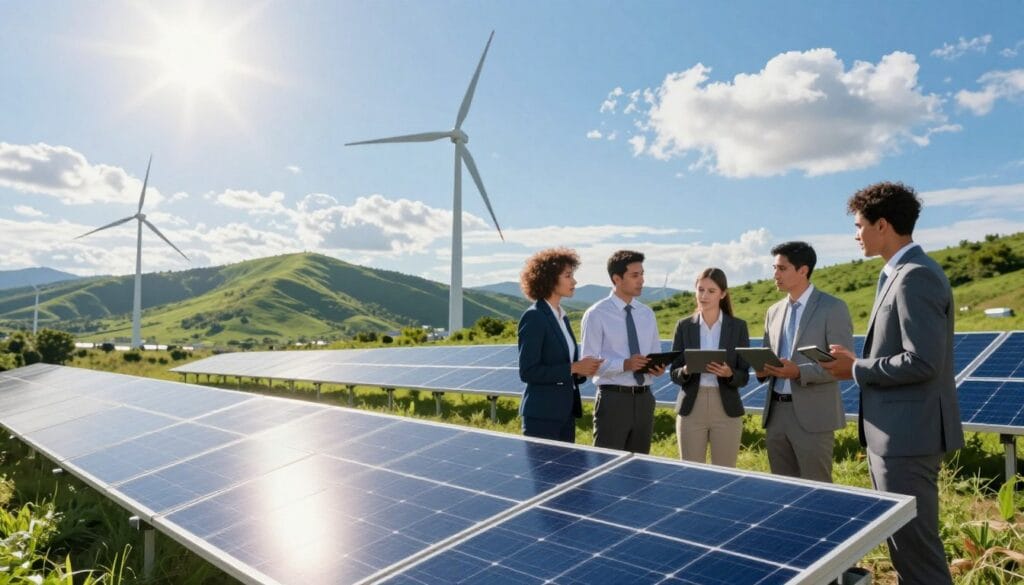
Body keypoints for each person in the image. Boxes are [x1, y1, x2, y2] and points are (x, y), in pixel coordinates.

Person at [821, 182, 962, 585]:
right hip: (895, 437)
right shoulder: (899, 273)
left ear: (882, 225)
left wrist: (855, 368)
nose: (855, 234)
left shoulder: (915, 276)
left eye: (859, 224)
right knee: (904, 549)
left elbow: (923, 361)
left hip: (908, 439)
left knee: (917, 553)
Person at [758, 241, 853, 483]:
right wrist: (761, 368)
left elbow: (841, 367)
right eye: (774, 268)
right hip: (776, 414)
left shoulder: (833, 308)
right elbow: (767, 355)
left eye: (782, 268)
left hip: (813, 416)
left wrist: (797, 372)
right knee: (783, 491)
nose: (775, 275)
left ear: (803, 270)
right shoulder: (773, 311)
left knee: (817, 491)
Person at [581, 250, 666, 454]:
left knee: (639, 469)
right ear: (616, 279)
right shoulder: (596, 314)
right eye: (635, 275)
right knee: (607, 468)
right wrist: (625, 365)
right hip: (613, 400)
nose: (642, 280)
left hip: (645, 399)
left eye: (642, 274)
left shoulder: (647, 314)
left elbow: (655, 353)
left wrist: (657, 367)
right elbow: (588, 365)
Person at [517, 248, 602, 443]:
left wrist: (581, 371)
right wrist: (573, 367)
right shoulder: (535, 317)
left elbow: (564, 367)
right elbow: (528, 371)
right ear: (549, 279)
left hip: (565, 413)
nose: (574, 281)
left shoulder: (562, 318)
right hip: (542, 416)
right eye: (568, 276)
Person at [668, 267, 750, 467]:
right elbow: (674, 373)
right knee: (691, 474)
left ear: (722, 294)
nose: (704, 296)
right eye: (700, 289)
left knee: (724, 474)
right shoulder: (684, 326)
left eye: (711, 291)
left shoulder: (738, 327)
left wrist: (730, 374)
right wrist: (686, 370)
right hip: (691, 408)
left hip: (726, 408)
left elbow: (744, 376)